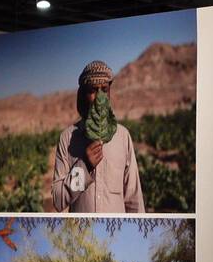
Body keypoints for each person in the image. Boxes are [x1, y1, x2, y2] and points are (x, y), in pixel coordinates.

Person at [51, 60, 144, 213]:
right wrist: (84, 166)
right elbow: (58, 200)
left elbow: (134, 201)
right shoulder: (67, 138)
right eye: (93, 90)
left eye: (104, 90)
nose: (99, 98)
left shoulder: (122, 137)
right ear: (82, 94)